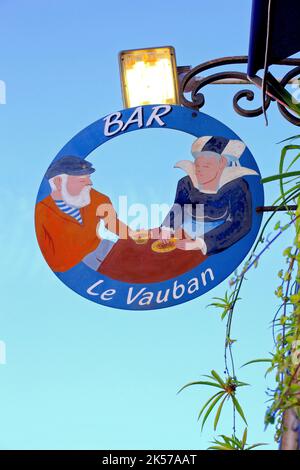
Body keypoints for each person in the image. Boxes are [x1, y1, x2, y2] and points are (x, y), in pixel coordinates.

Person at [160, 136, 259, 255]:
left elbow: (240, 223)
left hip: (216, 243)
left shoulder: (237, 186)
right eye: (198, 166)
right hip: (183, 237)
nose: (199, 171)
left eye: (206, 166)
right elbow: (180, 206)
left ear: (221, 163)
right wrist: (167, 227)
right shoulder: (186, 183)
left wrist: (201, 243)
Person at [35, 155, 131, 272]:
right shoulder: (42, 212)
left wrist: (133, 237)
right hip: (70, 267)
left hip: (98, 252)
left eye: (88, 177)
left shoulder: (96, 198)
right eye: (82, 180)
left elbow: (112, 223)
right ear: (58, 182)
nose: (89, 183)